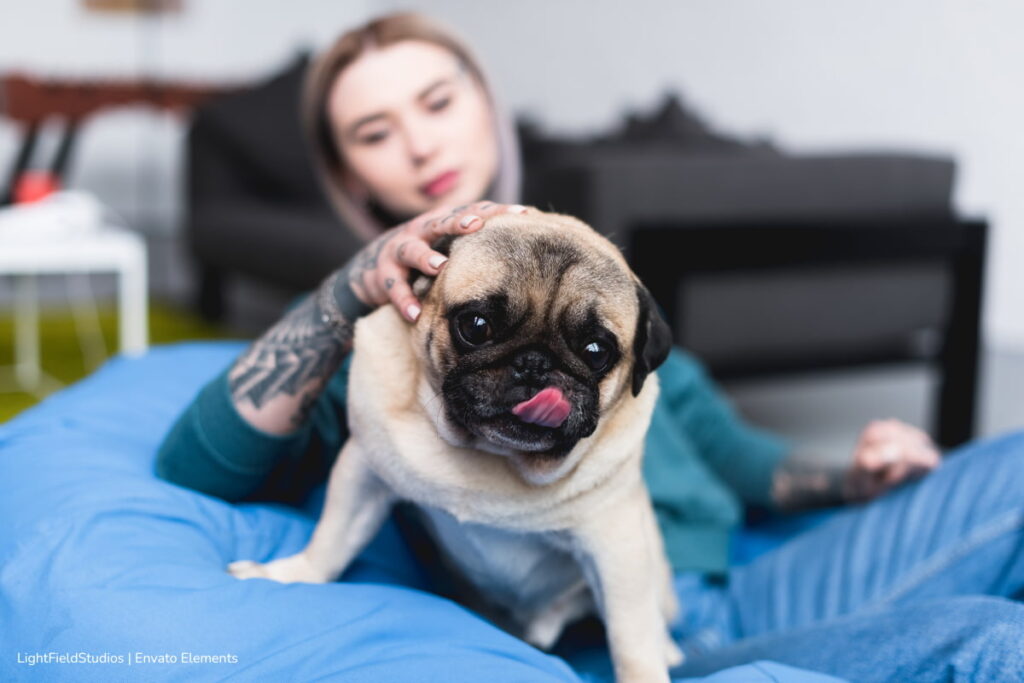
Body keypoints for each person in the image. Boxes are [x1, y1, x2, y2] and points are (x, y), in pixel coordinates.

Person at [156, 12, 1024, 681]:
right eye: (374, 132)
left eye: (437, 101)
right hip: (643, 641)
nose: (420, 142)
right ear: (348, 175)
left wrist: (848, 476)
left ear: (488, 106)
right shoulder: (374, 351)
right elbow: (197, 465)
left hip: (742, 569)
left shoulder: (610, 286)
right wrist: (351, 285)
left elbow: (731, 453)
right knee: (992, 641)